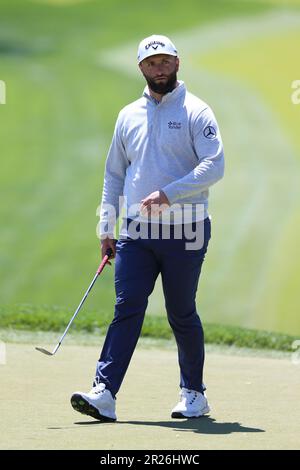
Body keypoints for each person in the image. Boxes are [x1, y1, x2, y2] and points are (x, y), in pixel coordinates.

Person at [71, 34, 224, 422]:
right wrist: (107, 227)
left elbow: (214, 166)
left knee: (181, 312)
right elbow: (114, 174)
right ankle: (104, 393)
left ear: (177, 63)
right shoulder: (128, 115)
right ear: (141, 68)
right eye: (151, 63)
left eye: (165, 61)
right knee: (127, 308)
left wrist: (169, 195)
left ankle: (194, 394)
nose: (159, 68)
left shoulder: (197, 111)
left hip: (186, 231)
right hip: (136, 233)